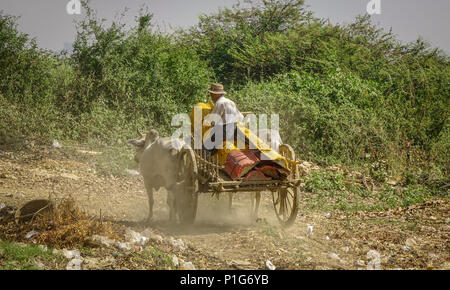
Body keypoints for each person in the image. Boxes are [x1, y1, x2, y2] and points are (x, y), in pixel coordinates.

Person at [203, 83, 245, 154]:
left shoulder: (219, 103)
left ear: (216, 94)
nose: (211, 96)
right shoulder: (230, 102)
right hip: (235, 129)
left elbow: (213, 120)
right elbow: (241, 117)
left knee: (205, 148)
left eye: (211, 94)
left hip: (224, 131)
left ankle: (207, 157)